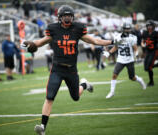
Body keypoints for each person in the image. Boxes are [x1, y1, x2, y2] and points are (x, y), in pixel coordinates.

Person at [21, 5, 121, 135]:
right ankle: (42, 127)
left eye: (69, 16)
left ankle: (84, 84)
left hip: (71, 69)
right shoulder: (54, 29)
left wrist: (112, 41)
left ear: (72, 17)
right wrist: (30, 44)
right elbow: (41, 42)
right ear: (60, 17)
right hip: (57, 68)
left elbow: (95, 40)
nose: (67, 18)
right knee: (50, 97)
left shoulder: (78, 29)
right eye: (65, 16)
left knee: (75, 97)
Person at [103, 22, 146, 99]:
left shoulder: (132, 37)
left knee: (132, 77)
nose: (127, 30)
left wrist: (136, 54)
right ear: (123, 29)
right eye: (126, 29)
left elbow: (135, 48)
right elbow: (116, 47)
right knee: (114, 75)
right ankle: (112, 92)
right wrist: (109, 53)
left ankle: (140, 80)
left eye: (128, 29)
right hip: (120, 59)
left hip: (129, 60)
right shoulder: (118, 37)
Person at [141, 20, 158, 86]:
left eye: (151, 26)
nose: (149, 27)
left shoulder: (156, 33)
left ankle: (151, 82)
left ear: (153, 26)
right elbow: (143, 41)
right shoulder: (144, 33)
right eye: (148, 26)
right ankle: (151, 82)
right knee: (146, 68)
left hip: (154, 51)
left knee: (149, 67)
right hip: (148, 51)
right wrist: (142, 44)